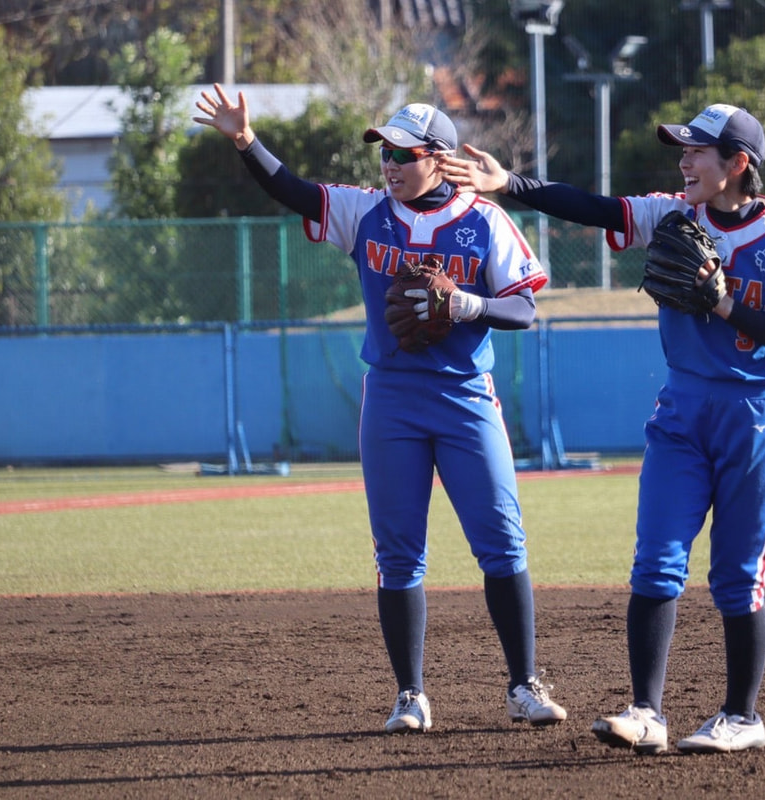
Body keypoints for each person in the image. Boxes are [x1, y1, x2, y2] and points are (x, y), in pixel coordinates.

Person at [439, 103, 765, 754]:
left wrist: (724, 303)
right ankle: (647, 711)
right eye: (680, 149)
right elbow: (594, 207)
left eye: (696, 151)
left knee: (738, 578)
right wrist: (510, 184)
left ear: (738, 164)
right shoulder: (672, 215)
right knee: (656, 561)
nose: (683, 160)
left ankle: (741, 716)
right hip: (682, 410)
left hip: (758, 415)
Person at [193, 85, 566, 734]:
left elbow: (523, 308)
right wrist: (245, 142)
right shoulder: (367, 212)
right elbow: (294, 191)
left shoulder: (484, 220)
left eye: (402, 152)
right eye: (384, 151)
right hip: (391, 397)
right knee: (398, 554)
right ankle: (410, 695)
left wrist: (467, 306)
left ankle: (522, 685)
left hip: (464, 397)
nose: (388, 163)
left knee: (502, 543)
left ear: (442, 159)